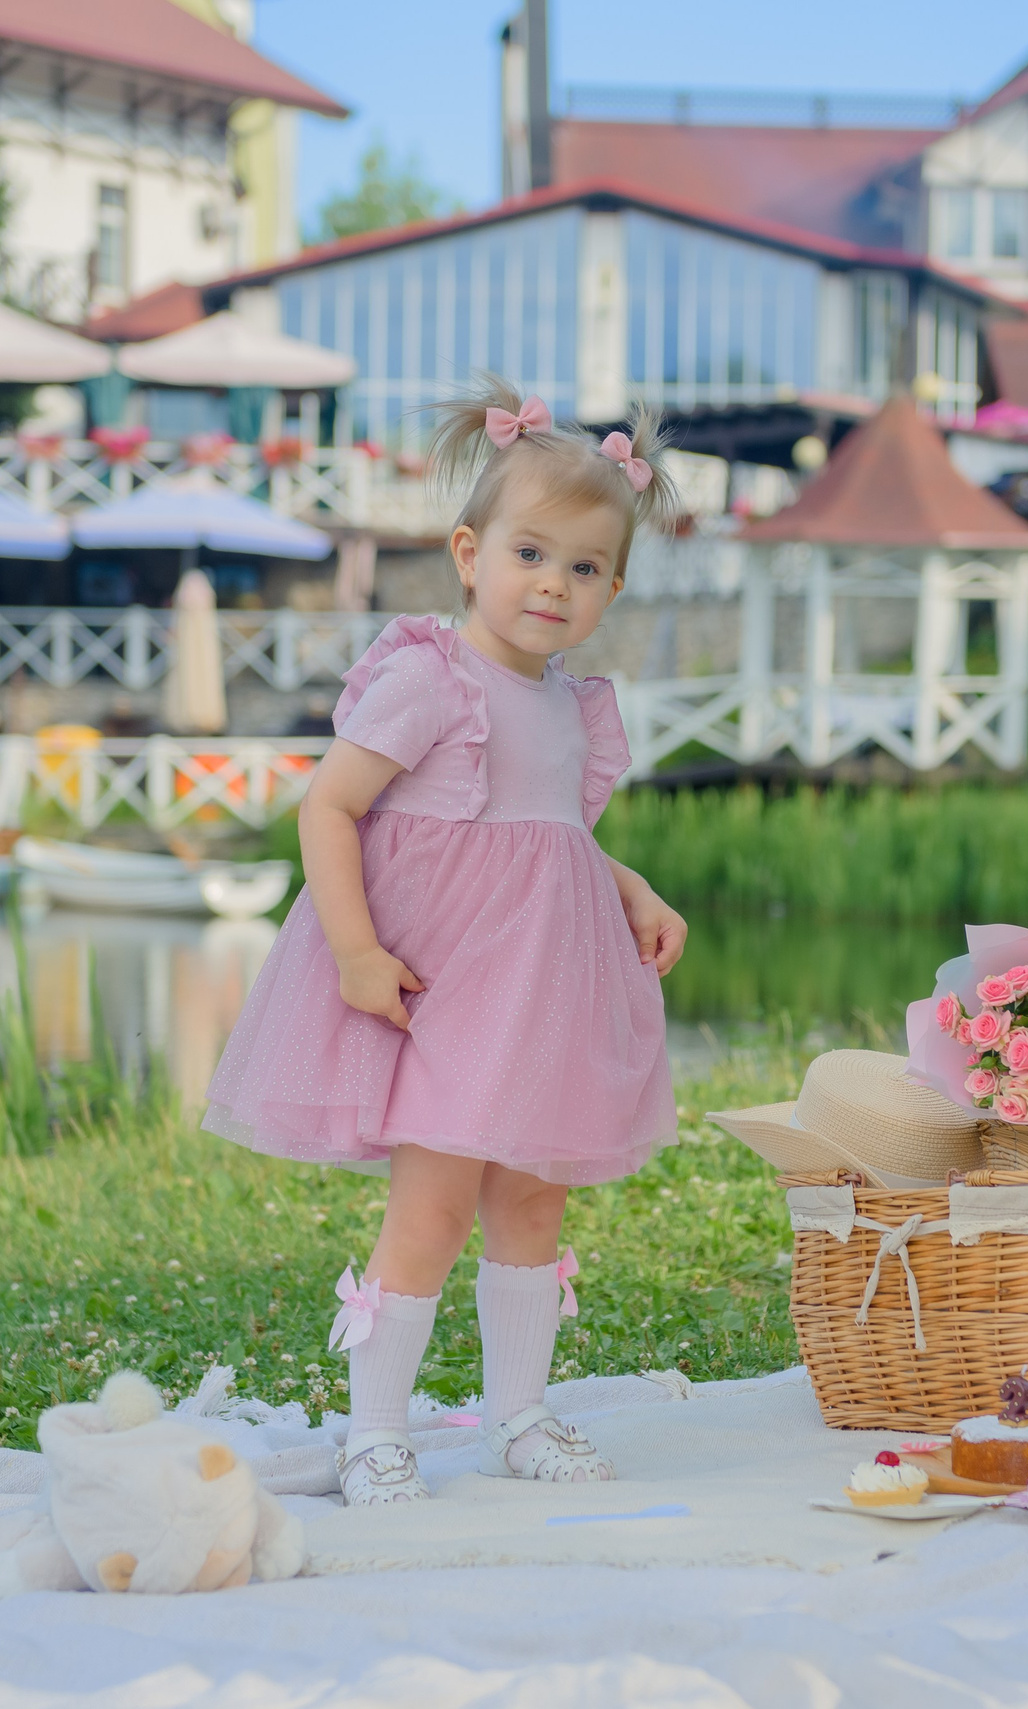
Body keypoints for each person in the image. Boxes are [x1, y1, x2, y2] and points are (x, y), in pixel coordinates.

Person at [204, 380, 688, 1506]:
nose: (553, 585)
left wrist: (633, 888)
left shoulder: (571, 702)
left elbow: (545, 835)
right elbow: (328, 809)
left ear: (612, 586)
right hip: (446, 990)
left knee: (531, 1202)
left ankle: (517, 1412)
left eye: (583, 568)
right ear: (470, 553)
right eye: (530, 554)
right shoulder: (430, 675)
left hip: (544, 995)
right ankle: (375, 1429)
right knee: (428, 1205)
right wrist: (357, 949)